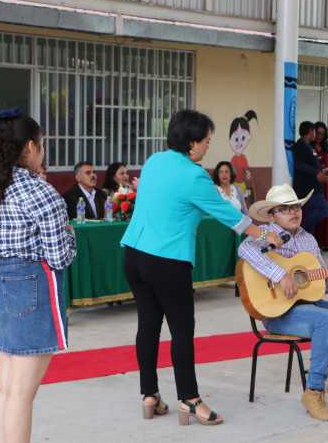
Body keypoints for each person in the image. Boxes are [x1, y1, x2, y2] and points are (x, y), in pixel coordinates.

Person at [119, 109, 284, 426]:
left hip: (135, 256)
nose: (209, 147)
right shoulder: (194, 176)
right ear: (192, 144)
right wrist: (268, 234)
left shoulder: (154, 160)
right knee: (182, 332)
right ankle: (190, 401)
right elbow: (233, 218)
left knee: (148, 326)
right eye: (207, 141)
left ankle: (149, 395)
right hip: (167, 260)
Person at [0, 108, 76, 443]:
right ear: (29, 147)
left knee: (7, 388)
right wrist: (71, 233)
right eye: (42, 144)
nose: (42, 151)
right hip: (30, 286)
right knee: (21, 395)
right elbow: (60, 256)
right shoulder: (41, 192)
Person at [238, 184, 328, 422]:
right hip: (277, 314)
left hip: (310, 306)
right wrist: (281, 275)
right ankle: (314, 391)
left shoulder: (309, 240)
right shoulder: (264, 234)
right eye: (284, 209)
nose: (293, 212)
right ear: (271, 215)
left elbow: (322, 285)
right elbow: (245, 250)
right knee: (327, 319)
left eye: (295, 206)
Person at [293, 121, 328, 235]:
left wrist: (322, 172)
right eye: (314, 131)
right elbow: (298, 163)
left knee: (311, 214)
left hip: (315, 186)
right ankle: (301, 228)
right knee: (325, 209)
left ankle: (309, 246)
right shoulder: (301, 145)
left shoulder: (308, 146)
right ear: (310, 131)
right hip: (309, 188)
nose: (316, 134)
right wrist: (316, 173)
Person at [228, 110, 258, 203]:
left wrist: (248, 175)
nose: (239, 142)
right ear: (230, 139)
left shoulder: (243, 158)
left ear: (249, 136)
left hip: (242, 185)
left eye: (243, 138)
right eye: (236, 138)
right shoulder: (233, 159)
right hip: (234, 185)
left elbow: (246, 171)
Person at [312, 121, 328, 251]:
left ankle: (323, 241)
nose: (320, 136)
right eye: (318, 133)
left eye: (322, 134)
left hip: (323, 182)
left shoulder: (325, 148)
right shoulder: (309, 147)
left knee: (324, 211)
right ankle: (312, 241)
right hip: (312, 182)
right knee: (313, 211)